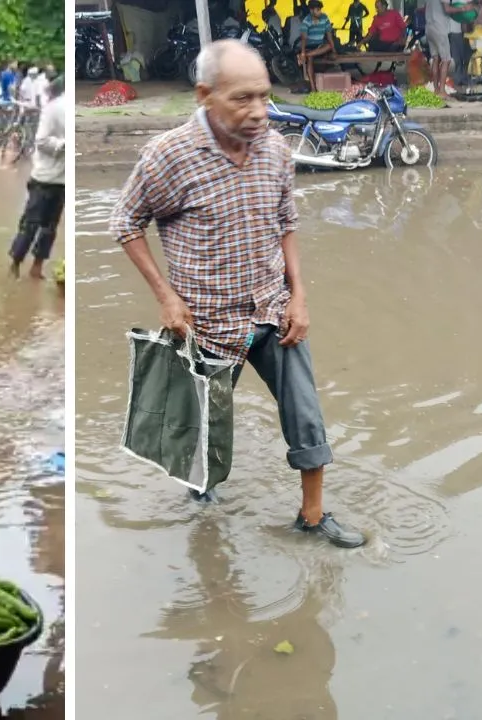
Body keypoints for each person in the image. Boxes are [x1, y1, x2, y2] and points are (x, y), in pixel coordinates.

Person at [110, 39, 364, 549]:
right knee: (204, 432)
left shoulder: (274, 149)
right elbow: (125, 223)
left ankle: (312, 518)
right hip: (205, 322)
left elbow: (286, 222)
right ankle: (204, 510)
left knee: (305, 413)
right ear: (205, 95)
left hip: (273, 310)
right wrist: (166, 297)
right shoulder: (168, 156)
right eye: (242, 99)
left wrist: (300, 297)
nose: (258, 112)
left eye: (264, 97)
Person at [8, 75, 64, 280]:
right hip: (44, 177)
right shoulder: (54, 108)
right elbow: (40, 140)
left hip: (62, 180)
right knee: (30, 224)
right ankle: (15, 263)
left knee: (50, 228)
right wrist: (63, 144)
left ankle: (37, 267)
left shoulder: (62, 107)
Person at [297, 0, 334, 90]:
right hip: (308, 47)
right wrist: (302, 52)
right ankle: (313, 89)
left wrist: (334, 50)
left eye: (320, 9)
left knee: (329, 45)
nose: (320, 12)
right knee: (310, 59)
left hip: (320, 46)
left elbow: (329, 35)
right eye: (318, 10)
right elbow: (303, 39)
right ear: (311, 10)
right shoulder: (306, 21)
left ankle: (305, 56)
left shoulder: (324, 18)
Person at [424, 0, 459, 96]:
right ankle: (442, 91)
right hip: (439, 28)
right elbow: (447, 9)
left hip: (429, 27)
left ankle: (436, 89)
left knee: (435, 59)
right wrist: (462, 9)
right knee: (446, 60)